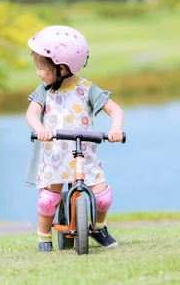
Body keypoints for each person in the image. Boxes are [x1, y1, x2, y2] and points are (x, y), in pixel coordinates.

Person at [24, 25, 125, 252]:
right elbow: (31, 113)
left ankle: (99, 227)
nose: (38, 72)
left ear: (62, 68)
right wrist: (40, 128)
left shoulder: (87, 89)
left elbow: (115, 110)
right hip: (55, 156)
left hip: (84, 156)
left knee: (103, 198)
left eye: (41, 67)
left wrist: (116, 128)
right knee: (48, 200)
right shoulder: (44, 91)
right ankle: (44, 238)